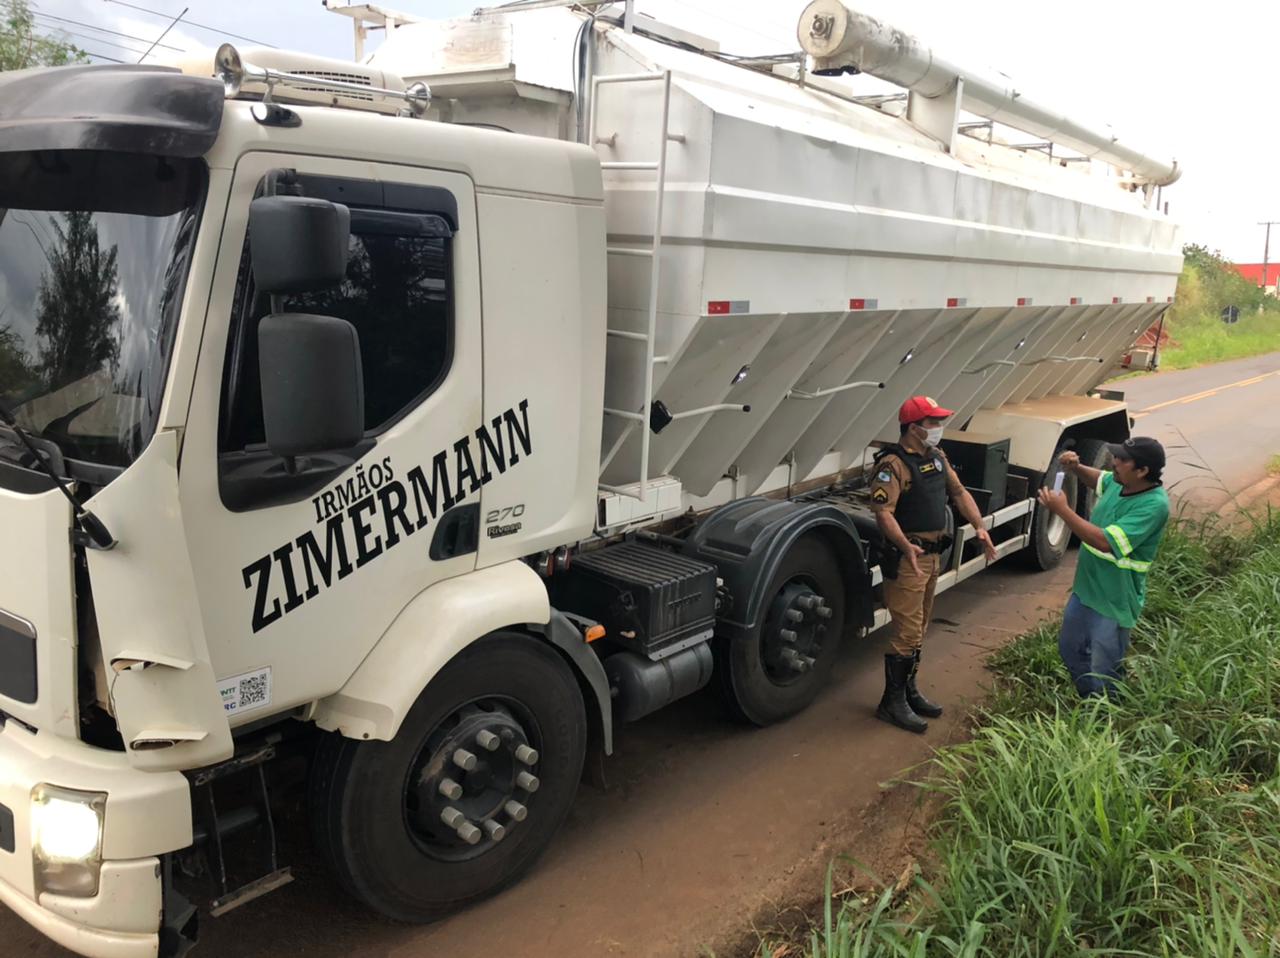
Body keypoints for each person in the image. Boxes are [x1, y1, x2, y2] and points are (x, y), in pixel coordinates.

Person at [869, 396, 998, 733]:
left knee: (921, 627)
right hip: (909, 558)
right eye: (932, 423)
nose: (939, 428)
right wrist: (904, 546)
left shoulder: (937, 457)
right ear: (914, 428)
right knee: (907, 632)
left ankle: (909, 691)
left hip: (931, 556)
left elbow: (958, 493)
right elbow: (883, 513)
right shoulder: (891, 466)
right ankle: (891, 702)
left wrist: (980, 527)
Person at [1037, 436, 1170, 698]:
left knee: (1104, 667)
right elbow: (1098, 479)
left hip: (1114, 600)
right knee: (1070, 649)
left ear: (1142, 471)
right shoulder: (1120, 484)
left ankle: (1104, 718)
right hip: (1086, 591)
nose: (1115, 462)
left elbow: (1104, 542)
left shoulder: (1153, 505)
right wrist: (1076, 467)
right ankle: (1089, 701)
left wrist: (1062, 510)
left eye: (1122, 459)